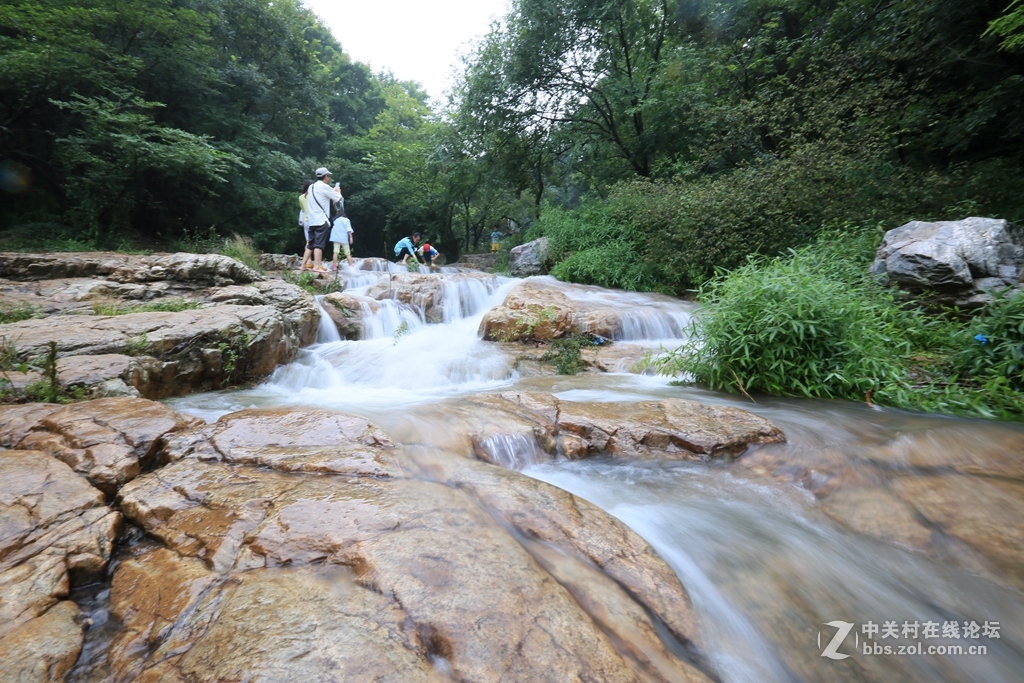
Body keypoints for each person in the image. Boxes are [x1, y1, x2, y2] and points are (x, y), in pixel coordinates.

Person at [305, 167, 344, 273]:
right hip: (321, 220)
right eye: (328, 176)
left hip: (311, 220)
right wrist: (338, 191)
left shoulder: (311, 187)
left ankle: (303, 265)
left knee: (310, 244)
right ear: (325, 176)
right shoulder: (325, 187)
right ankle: (317, 266)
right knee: (319, 244)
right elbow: (338, 198)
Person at [298, 180, 314, 271]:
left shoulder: (301, 197)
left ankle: (309, 261)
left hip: (305, 221)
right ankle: (312, 263)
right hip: (314, 220)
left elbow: (303, 209)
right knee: (315, 242)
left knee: (308, 241)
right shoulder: (313, 197)